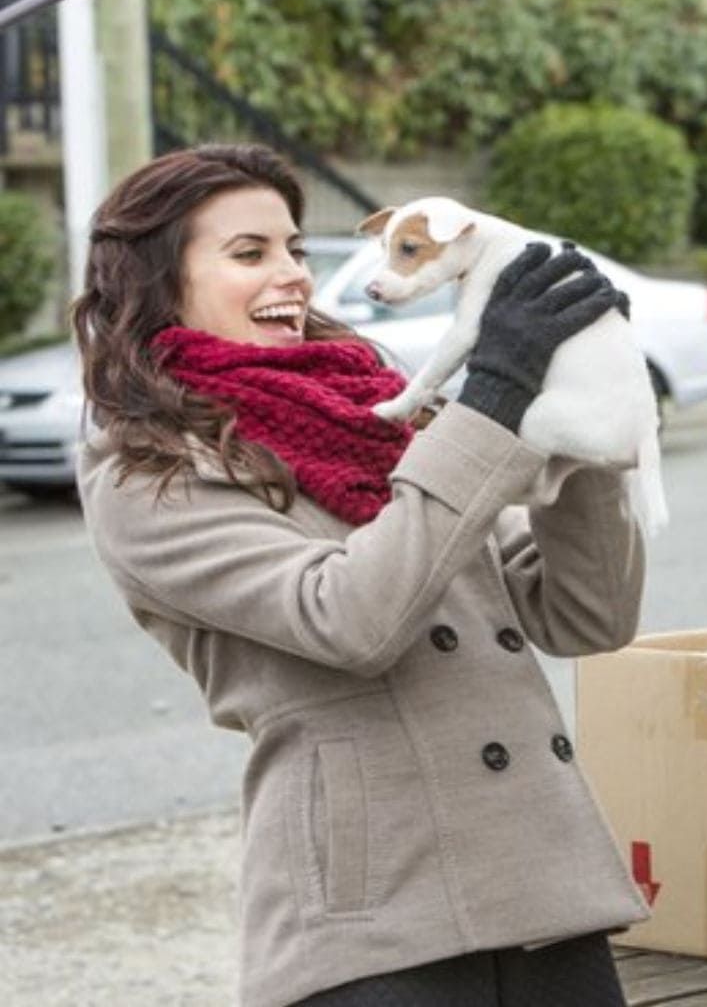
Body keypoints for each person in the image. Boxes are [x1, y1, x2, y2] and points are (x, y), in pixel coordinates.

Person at [72, 144, 649, 1007]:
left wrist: (582, 418)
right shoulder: (147, 468)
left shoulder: (377, 408)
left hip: (540, 883)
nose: (294, 276)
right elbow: (350, 618)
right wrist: (490, 403)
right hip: (375, 919)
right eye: (250, 253)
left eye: (296, 249)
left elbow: (585, 616)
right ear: (159, 285)